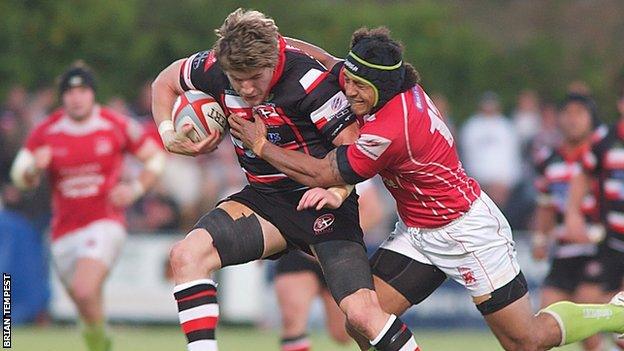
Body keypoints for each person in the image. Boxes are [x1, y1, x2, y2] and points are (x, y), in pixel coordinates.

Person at [229, 27, 624, 351]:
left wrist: (262, 145)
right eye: (349, 80)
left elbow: (323, 172)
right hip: (418, 233)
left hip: (467, 232)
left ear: (381, 88)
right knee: (364, 322)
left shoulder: (393, 127)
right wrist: (276, 46)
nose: (348, 92)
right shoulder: (374, 83)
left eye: (358, 87)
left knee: (527, 341)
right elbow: (328, 63)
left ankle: (617, 313)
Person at [151, 9, 420, 351]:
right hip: (265, 201)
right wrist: (167, 133)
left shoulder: (308, 82)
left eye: (256, 77)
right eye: (238, 79)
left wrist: (338, 190)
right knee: (186, 255)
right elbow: (165, 82)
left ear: (273, 60)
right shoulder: (214, 68)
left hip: (322, 203)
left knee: (362, 318)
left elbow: (355, 152)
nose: (247, 88)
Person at [10, 62, 165, 351]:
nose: (76, 97)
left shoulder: (114, 124)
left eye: (82, 90)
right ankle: (100, 342)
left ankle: (98, 343)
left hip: (104, 222)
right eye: (69, 92)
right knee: (85, 302)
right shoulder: (46, 130)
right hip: (63, 232)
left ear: (92, 94)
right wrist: (34, 168)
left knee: (84, 288)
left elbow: (155, 158)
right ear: (62, 97)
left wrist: (134, 189)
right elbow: (20, 178)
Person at [533, 94, 606, 351]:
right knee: (542, 321)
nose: (573, 119)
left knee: (588, 316)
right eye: (568, 113)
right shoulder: (548, 160)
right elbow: (546, 206)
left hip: (599, 250)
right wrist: (540, 239)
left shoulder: (604, 156)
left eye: (580, 113)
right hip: (565, 251)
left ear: (591, 119)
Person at [274, 180, 384, 351]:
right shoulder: (287, 159)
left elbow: (373, 211)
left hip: (339, 253)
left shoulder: (344, 160)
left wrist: (335, 238)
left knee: (343, 332)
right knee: (291, 318)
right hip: (298, 252)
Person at [567, 88, 624, 350]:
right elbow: (582, 174)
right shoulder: (605, 139)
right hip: (612, 239)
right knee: (586, 303)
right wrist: (573, 214)